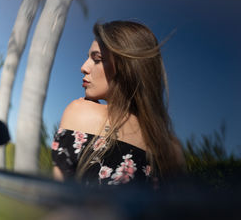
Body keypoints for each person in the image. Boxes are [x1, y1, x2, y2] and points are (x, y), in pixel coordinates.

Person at [51, 20, 185, 187]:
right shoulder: (172, 148)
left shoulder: (80, 113)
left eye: (97, 59)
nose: (83, 67)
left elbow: (58, 197)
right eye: (88, 58)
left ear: (125, 67)